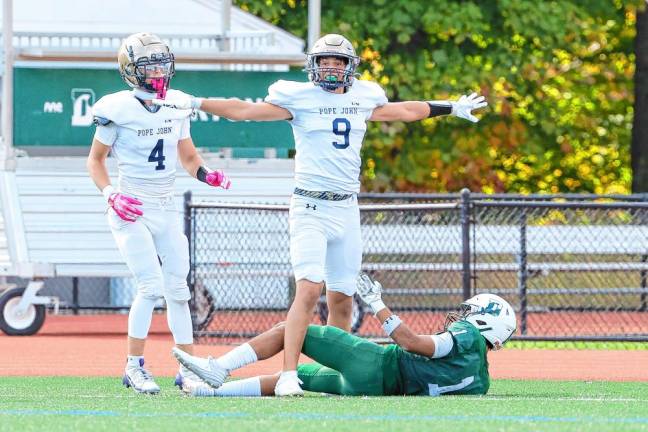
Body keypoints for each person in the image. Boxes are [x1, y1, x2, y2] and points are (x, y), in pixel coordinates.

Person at [155, 33, 488, 396]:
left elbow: (407, 110)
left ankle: (336, 372)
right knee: (309, 288)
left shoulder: (364, 97)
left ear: (350, 66)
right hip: (310, 205)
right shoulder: (298, 98)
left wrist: (450, 107)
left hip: (346, 207)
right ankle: (287, 374)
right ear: (312, 65)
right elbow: (244, 110)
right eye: (324, 60)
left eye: (338, 61)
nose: (331, 66)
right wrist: (197, 101)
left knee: (342, 297)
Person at [86, 32, 232, 394]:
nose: (158, 72)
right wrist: (111, 194)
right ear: (131, 71)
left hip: (165, 206)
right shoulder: (115, 108)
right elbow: (95, 161)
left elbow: (188, 157)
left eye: (161, 64)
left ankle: (189, 368)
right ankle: (133, 366)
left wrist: (205, 173)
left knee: (179, 291)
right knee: (150, 287)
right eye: (149, 66)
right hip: (131, 206)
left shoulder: (177, 105)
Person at [171, 273, 517, 397]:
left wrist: (378, 304)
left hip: (376, 364)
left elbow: (413, 344)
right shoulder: (480, 381)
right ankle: (207, 394)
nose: (462, 317)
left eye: (471, 313)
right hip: (374, 390)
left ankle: (222, 367)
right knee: (294, 379)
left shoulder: (467, 337)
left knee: (292, 329)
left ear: (486, 322)